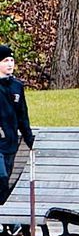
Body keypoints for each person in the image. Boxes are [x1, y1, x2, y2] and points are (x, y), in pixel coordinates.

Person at [0, 48, 29, 206]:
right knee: (1, 176)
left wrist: (29, 137)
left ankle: (5, 219)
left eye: (11, 60)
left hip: (11, 141)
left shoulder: (17, 86)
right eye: (5, 61)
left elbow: (22, 115)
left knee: (6, 181)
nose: (10, 64)